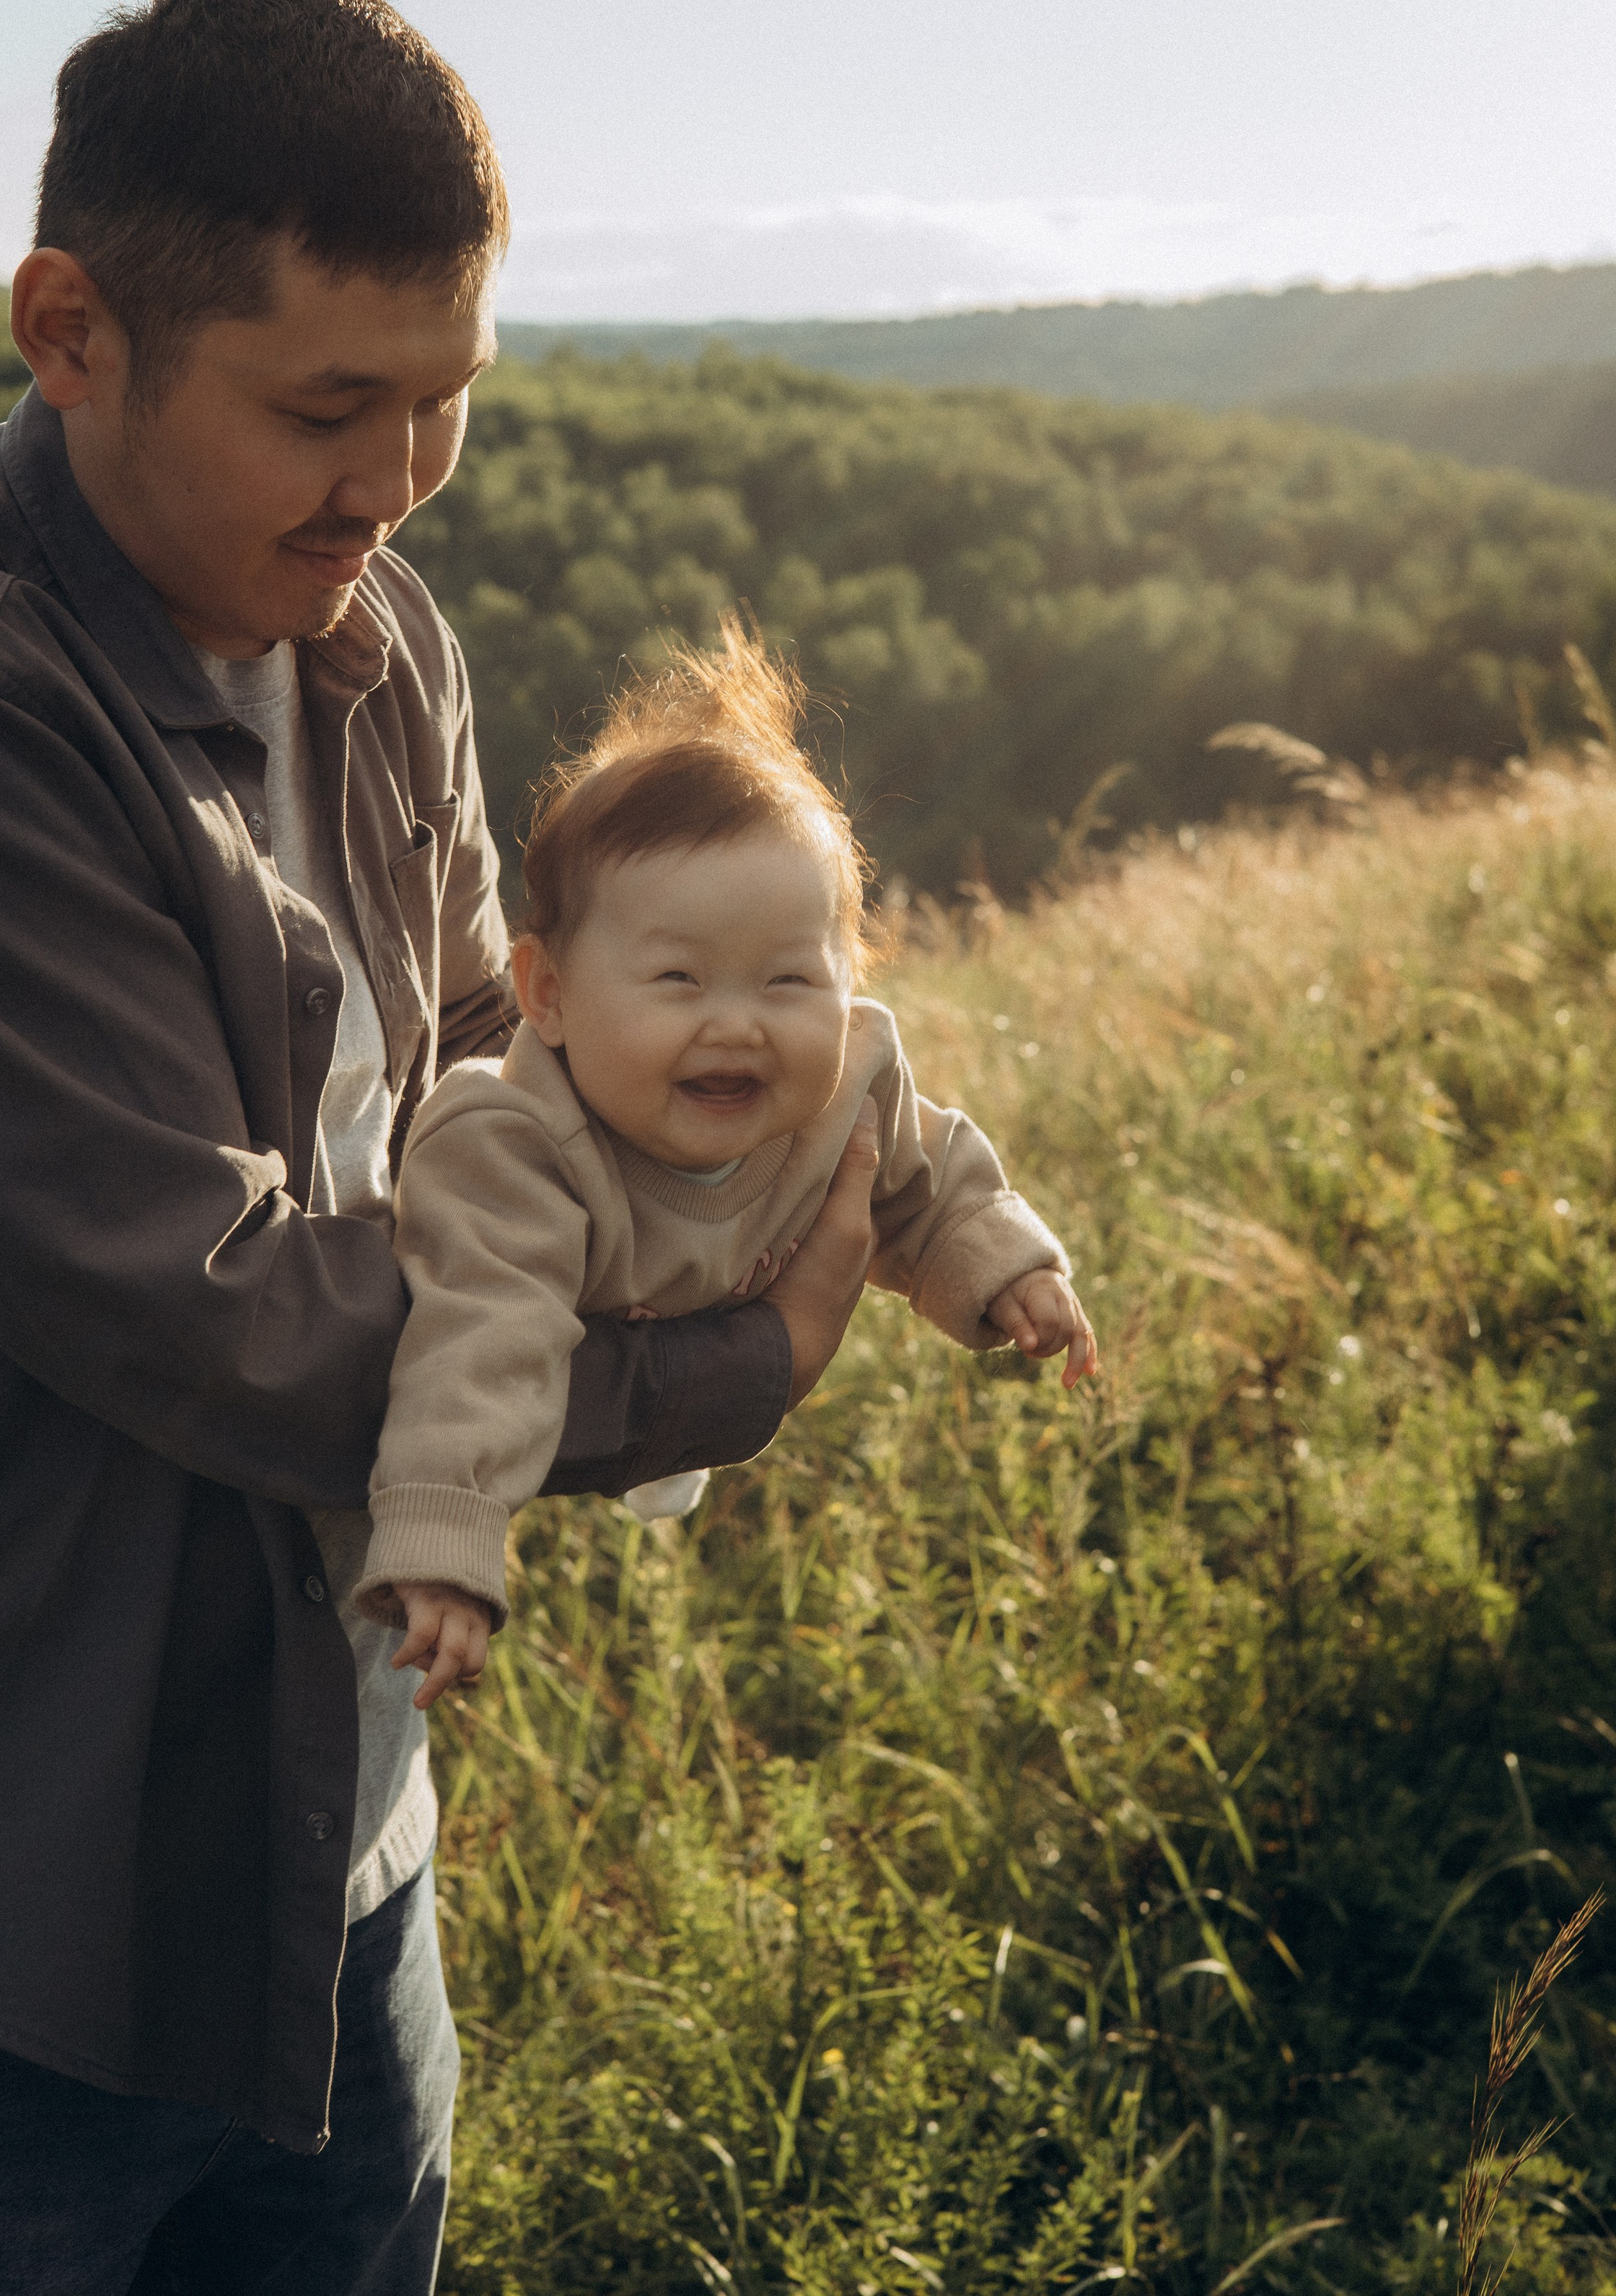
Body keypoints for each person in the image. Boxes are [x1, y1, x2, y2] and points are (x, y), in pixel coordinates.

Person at [0, 0, 882, 2296]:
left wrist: (760, 1117)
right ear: (69, 331)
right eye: (328, 407)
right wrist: (734, 1364)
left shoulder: (378, 643)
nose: (391, 488)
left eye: (447, 401)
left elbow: (501, 1094)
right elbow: (236, 1317)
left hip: (331, 1870)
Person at [352, 627, 1099, 1707]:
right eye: (679, 978)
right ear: (548, 993)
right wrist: (449, 1543)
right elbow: (484, 1339)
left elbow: (925, 1177)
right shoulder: (508, 1148)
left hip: (705, 1405)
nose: (737, 1026)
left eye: (790, 980)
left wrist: (1008, 1271)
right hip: (581, 1407)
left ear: (852, 979)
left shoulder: (843, 1084)